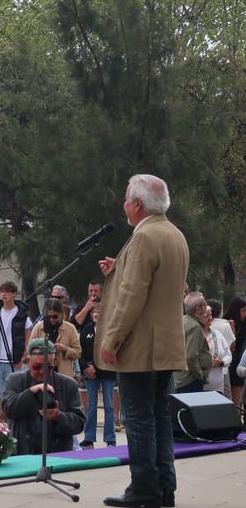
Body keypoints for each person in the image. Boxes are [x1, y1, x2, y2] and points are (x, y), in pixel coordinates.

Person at [97, 174, 189, 508]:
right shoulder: (174, 234)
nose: (123, 203)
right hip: (166, 344)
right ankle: (165, 488)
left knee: (137, 418)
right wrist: (118, 269)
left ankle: (143, 487)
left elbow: (133, 295)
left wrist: (113, 338)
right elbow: (161, 285)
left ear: (137, 204)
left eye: (126, 198)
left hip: (140, 346)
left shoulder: (143, 238)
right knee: (160, 418)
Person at [3, 338, 85, 454]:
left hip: (57, 455)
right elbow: (8, 410)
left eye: (48, 367)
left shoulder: (68, 384)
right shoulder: (15, 380)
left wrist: (58, 416)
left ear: (55, 362)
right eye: (36, 367)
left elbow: (79, 423)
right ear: (27, 361)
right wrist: (30, 393)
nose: (42, 372)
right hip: (21, 454)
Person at [79, 303, 118, 448]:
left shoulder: (109, 330)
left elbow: (111, 350)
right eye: (94, 311)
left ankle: (110, 438)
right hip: (90, 374)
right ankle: (89, 436)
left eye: (99, 312)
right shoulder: (87, 329)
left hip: (107, 372)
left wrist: (96, 368)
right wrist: (85, 368)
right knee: (91, 406)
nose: (96, 314)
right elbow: (80, 351)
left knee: (108, 405)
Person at [0, 281, 32, 401]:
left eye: (7, 292)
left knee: (13, 393)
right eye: (2, 292)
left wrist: (24, 354)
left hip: (14, 359)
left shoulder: (21, 314)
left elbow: (27, 334)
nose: (4, 294)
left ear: (14, 294)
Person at [29, 298, 82, 378]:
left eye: (55, 316)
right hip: (42, 374)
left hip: (63, 375)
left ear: (61, 314)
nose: (51, 319)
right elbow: (30, 349)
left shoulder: (70, 328)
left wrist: (65, 349)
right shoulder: (39, 327)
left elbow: (78, 352)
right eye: (48, 316)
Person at [175, 292, 212, 394]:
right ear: (198, 309)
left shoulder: (182, 320)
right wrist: (200, 375)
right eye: (204, 304)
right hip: (190, 380)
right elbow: (191, 356)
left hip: (180, 377)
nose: (207, 306)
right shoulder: (195, 327)